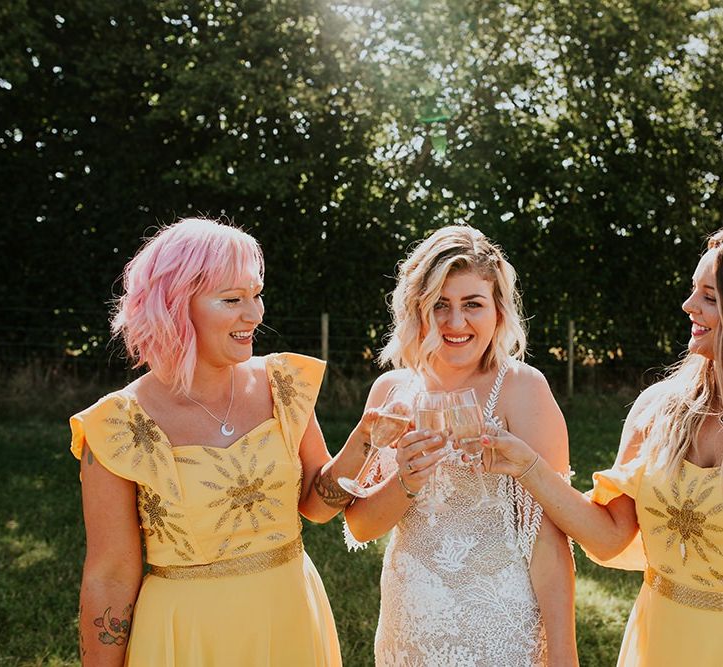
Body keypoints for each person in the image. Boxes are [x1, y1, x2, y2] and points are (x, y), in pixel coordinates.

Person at [71, 218, 369, 666]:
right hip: (185, 638)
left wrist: (366, 441)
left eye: (256, 294)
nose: (255, 314)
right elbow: (109, 575)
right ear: (173, 306)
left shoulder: (283, 384)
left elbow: (316, 505)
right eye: (232, 299)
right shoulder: (116, 424)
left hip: (290, 618)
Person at [481, 229, 723, 666]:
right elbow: (609, 538)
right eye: (693, 290)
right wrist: (527, 466)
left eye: (709, 296)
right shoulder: (659, 410)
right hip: (660, 639)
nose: (689, 306)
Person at [343, 225, 578, 666]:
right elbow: (360, 527)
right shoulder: (390, 392)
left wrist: (563, 653)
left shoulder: (523, 389)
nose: (455, 323)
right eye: (440, 305)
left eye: (473, 304)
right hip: (407, 625)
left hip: (498, 631)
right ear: (418, 309)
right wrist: (405, 482)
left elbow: (548, 537)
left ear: (498, 310)